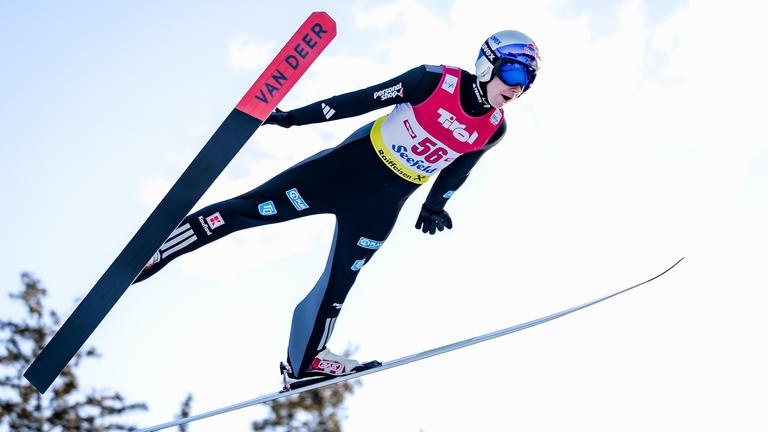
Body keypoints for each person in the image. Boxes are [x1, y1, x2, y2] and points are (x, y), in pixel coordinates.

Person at [133, 30, 541, 384]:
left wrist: (436, 206)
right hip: (343, 172)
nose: (519, 87)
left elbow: (457, 171)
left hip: (384, 204)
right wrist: (294, 118)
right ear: (487, 64)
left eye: (529, 80)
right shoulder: (433, 81)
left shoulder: (493, 129)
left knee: (339, 284)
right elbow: (359, 101)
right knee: (248, 210)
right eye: (515, 73)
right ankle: (160, 249)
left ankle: (305, 363)